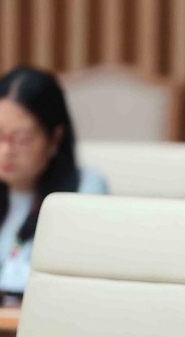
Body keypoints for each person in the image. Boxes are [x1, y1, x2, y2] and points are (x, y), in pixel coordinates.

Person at [0, 66, 107, 297]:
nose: (6, 150)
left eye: (22, 139)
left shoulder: (84, 190)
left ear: (54, 138)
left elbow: (83, 282)